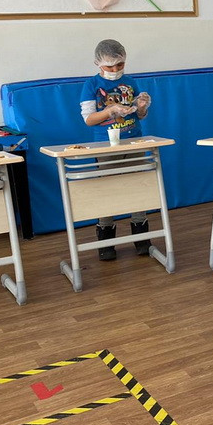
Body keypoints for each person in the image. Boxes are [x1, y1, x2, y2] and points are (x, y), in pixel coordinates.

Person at [79, 39, 153, 260]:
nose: (114, 70)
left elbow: (140, 115)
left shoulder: (130, 82)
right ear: (98, 63)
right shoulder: (91, 85)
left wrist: (142, 107)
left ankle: (141, 236)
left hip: (133, 140)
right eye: (109, 66)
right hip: (106, 144)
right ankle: (106, 240)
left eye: (119, 65)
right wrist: (109, 111)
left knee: (137, 186)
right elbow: (89, 120)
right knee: (108, 189)